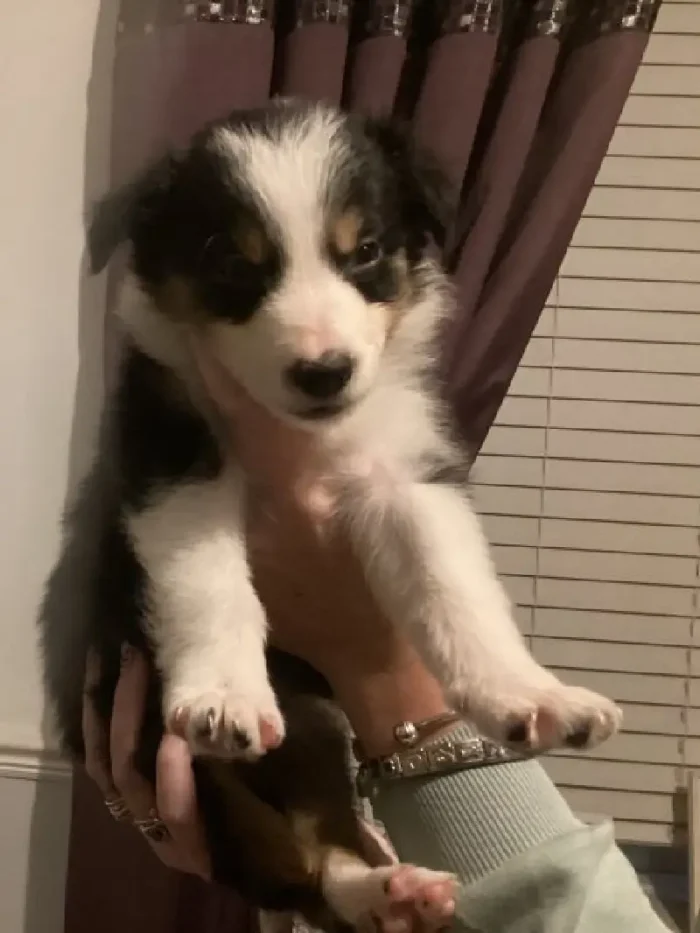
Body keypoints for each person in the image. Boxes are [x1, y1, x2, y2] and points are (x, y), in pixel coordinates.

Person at [84, 344, 672, 933]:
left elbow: (420, 508)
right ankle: (332, 877)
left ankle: (332, 876)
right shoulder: (168, 384)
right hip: (180, 678)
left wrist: (471, 680)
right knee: (242, 776)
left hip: (294, 707)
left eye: (362, 252)